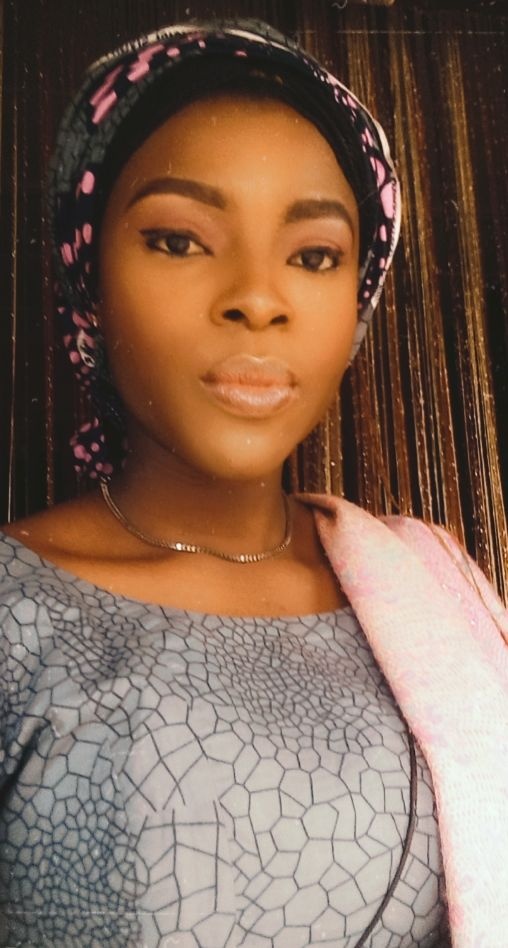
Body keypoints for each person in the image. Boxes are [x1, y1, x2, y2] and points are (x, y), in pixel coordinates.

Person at [0, 17, 506, 948]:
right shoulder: (16, 614)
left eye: (314, 256)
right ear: (89, 280)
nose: (259, 298)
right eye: (179, 240)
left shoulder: (431, 594)